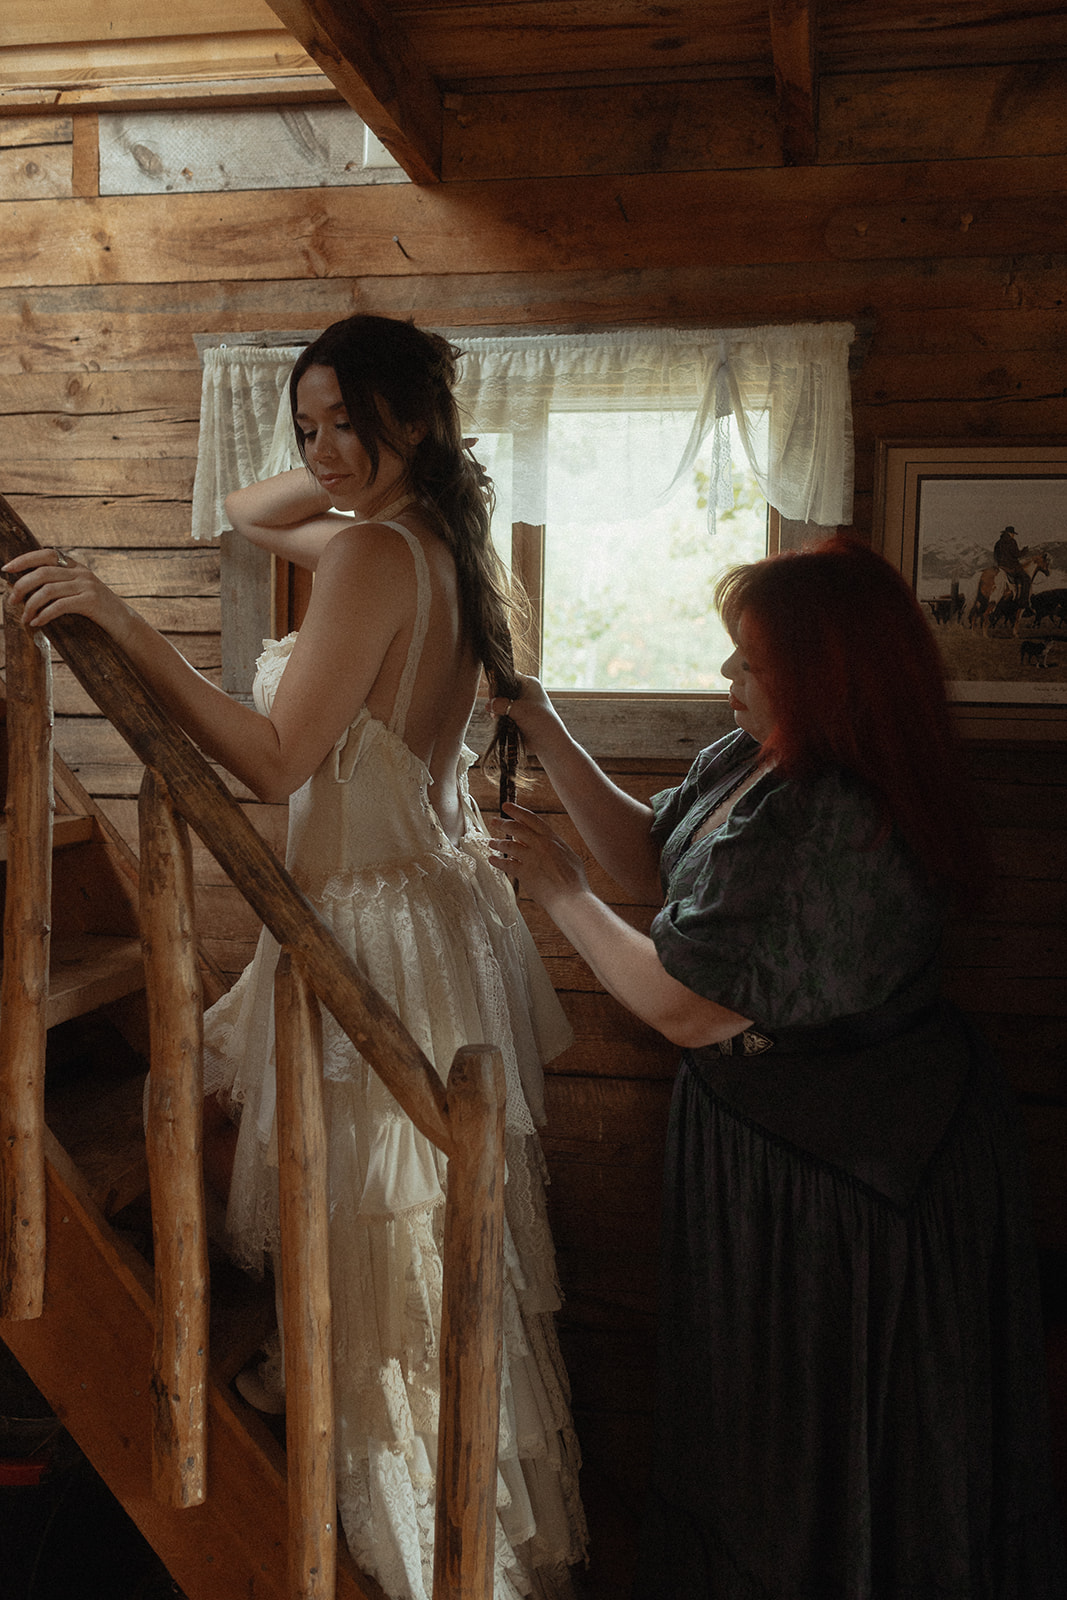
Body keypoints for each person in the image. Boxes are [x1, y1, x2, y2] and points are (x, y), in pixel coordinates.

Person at [3, 314, 588, 1600]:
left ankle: (394, 1550)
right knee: (406, 1259)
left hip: (373, 935)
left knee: (387, 1275)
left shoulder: (375, 555)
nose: (318, 453)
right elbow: (252, 504)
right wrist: (347, 439)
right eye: (306, 425)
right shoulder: (428, 538)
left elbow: (272, 761)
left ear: (419, 420)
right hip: (428, 919)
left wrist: (119, 617)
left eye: (344, 425)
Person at [485, 536, 1066, 1599]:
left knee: (826, 1425)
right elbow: (643, 855)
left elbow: (679, 1002)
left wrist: (558, 895)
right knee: (759, 1417)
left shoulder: (834, 809)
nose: (726, 679)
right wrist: (540, 718)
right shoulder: (753, 755)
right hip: (773, 1135)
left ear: (818, 673)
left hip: (856, 1166)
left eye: (745, 662)